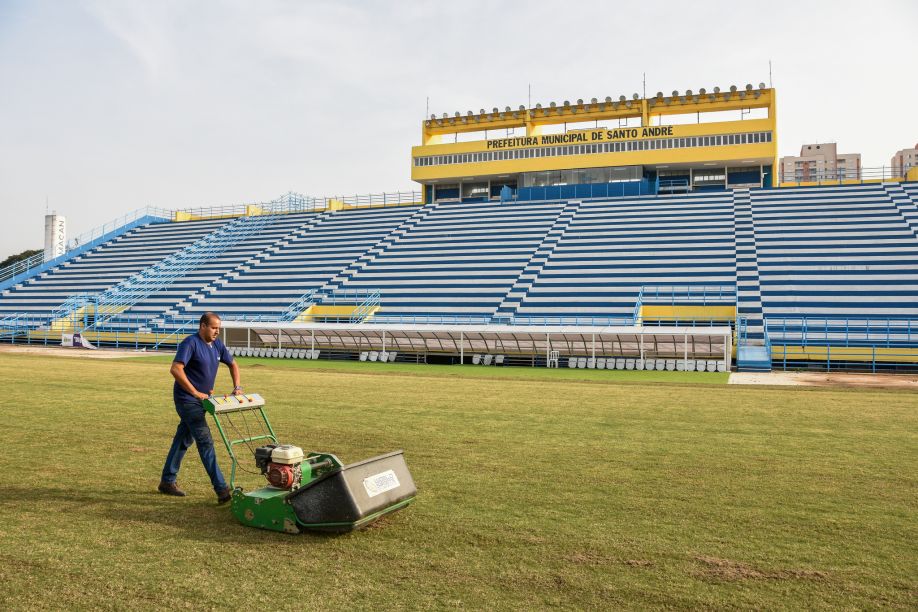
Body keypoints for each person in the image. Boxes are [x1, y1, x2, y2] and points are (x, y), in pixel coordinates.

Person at [158, 312, 242, 503]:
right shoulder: (191, 343)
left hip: (203, 401)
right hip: (187, 400)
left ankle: (167, 481)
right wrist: (195, 392)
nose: (217, 331)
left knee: (183, 439)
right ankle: (222, 490)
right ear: (203, 326)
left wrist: (237, 387)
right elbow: (175, 369)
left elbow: (233, 364)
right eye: (213, 328)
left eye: (219, 328)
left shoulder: (217, 345)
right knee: (205, 441)